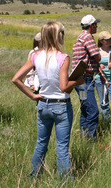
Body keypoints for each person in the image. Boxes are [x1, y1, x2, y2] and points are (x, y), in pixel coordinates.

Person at [12, 22, 84, 180]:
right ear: (59, 36)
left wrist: (32, 96)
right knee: (62, 148)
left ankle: (34, 176)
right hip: (61, 106)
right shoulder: (63, 57)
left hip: (43, 104)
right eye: (62, 33)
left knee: (41, 143)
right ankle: (65, 181)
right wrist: (77, 81)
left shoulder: (35, 56)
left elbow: (16, 79)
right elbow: (64, 86)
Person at [72, 14, 106, 139]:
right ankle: (90, 139)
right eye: (96, 25)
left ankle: (83, 136)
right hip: (84, 79)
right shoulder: (88, 37)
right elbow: (97, 57)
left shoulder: (80, 36)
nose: (97, 27)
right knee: (93, 111)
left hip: (80, 79)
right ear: (92, 26)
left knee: (85, 109)